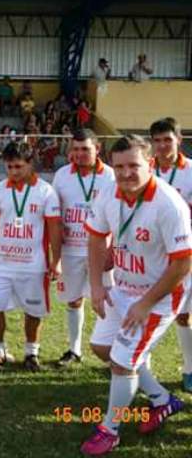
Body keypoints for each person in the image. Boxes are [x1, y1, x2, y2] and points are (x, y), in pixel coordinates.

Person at [80, 135, 192, 455]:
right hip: (124, 287)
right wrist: (98, 286)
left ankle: (110, 429)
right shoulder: (108, 192)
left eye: (134, 166)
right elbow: (95, 239)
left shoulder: (169, 204)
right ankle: (161, 399)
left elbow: (183, 262)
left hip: (160, 296)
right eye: (119, 167)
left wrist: (145, 304)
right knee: (102, 347)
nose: (126, 173)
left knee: (122, 362)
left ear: (151, 164)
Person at [0, 141, 62, 372]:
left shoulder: (46, 191)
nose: (13, 172)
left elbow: (55, 228)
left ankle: (31, 353)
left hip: (34, 264)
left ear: (30, 164)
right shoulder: (0, 189)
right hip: (2, 264)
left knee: (33, 310)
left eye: (18, 167)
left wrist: (57, 260)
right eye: (9, 167)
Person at [52, 129, 115, 367]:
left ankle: (111, 353)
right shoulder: (61, 175)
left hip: (101, 251)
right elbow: (55, 215)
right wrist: (55, 255)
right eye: (75, 149)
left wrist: (113, 251)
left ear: (97, 149)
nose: (79, 154)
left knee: (107, 301)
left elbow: (119, 215)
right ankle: (74, 350)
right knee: (74, 299)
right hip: (71, 250)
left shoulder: (110, 176)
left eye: (85, 149)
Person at [149, 118, 192, 392]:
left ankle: (189, 370)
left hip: (185, 254)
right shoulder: (145, 171)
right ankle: (140, 366)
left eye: (168, 139)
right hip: (151, 254)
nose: (163, 145)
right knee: (145, 309)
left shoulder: (191, 171)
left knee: (184, 315)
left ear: (179, 140)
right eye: (158, 140)